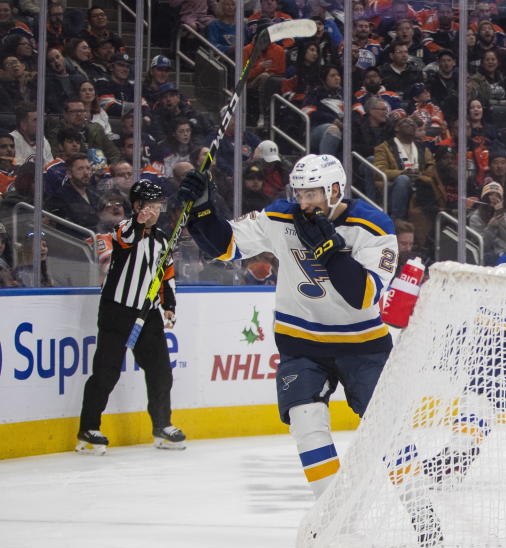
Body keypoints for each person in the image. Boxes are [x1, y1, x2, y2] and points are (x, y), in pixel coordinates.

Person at [178, 154, 397, 496]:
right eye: (300, 193)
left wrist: (330, 251)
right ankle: (331, 514)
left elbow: (363, 295)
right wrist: (203, 210)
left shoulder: (373, 225)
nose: (305, 202)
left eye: (314, 193)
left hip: (363, 345)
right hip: (302, 341)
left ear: (336, 190)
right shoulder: (280, 216)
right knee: (305, 419)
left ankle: (421, 510)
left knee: (387, 429)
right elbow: (225, 246)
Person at [76, 180, 185, 455]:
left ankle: (162, 425)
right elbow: (127, 239)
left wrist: (168, 304)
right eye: (149, 205)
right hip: (117, 311)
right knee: (106, 371)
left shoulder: (162, 239)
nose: (154, 211)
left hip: (148, 314)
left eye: (157, 205)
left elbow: (165, 273)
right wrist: (139, 221)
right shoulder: (124, 229)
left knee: (161, 371)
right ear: (136, 206)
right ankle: (89, 428)